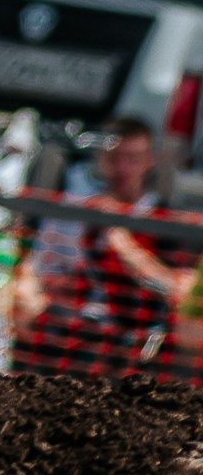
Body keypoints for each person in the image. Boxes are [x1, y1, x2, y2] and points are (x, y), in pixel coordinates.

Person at [16, 118, 184, 376]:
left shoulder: (164, 219)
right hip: (67, 331)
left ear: (150, 161)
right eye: (114, 158)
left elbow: (178, 289)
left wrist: (122, 245)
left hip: (128, 341)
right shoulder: (77, 206)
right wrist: (31, 289)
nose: (122, 168)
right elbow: (36, 262)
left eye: (133, 158)